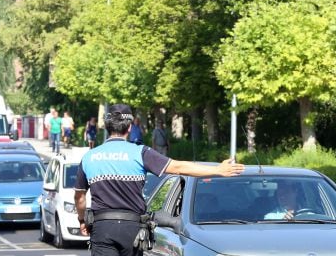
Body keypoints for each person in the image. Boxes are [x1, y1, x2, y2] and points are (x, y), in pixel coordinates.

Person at [74, 104, 245, 256]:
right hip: (132, 229)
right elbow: (178, 167)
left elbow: (80, 197)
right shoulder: (140, 153)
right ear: (130, 126)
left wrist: (82, 220)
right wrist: (217, 170)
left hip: (102, 227)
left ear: (106, 125)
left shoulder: (90, 157)